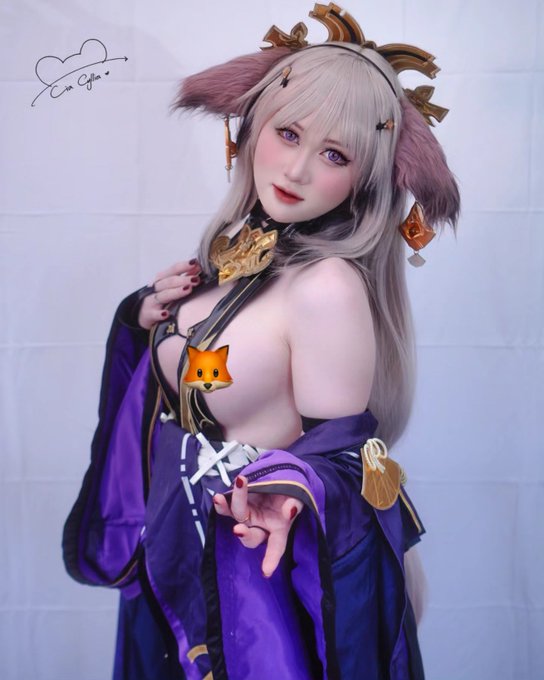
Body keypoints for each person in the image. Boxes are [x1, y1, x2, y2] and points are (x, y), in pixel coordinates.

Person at [63, 4, 459, 679]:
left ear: (363, 178)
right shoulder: (237, 256)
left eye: (334, 154)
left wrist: (292, 490)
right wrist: (143, 317)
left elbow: (347, 460)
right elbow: (190, 390)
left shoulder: (327, 287)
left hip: (253, 582)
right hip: (174, 549)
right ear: (251, 128)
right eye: (288, 132)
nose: (297, 170)